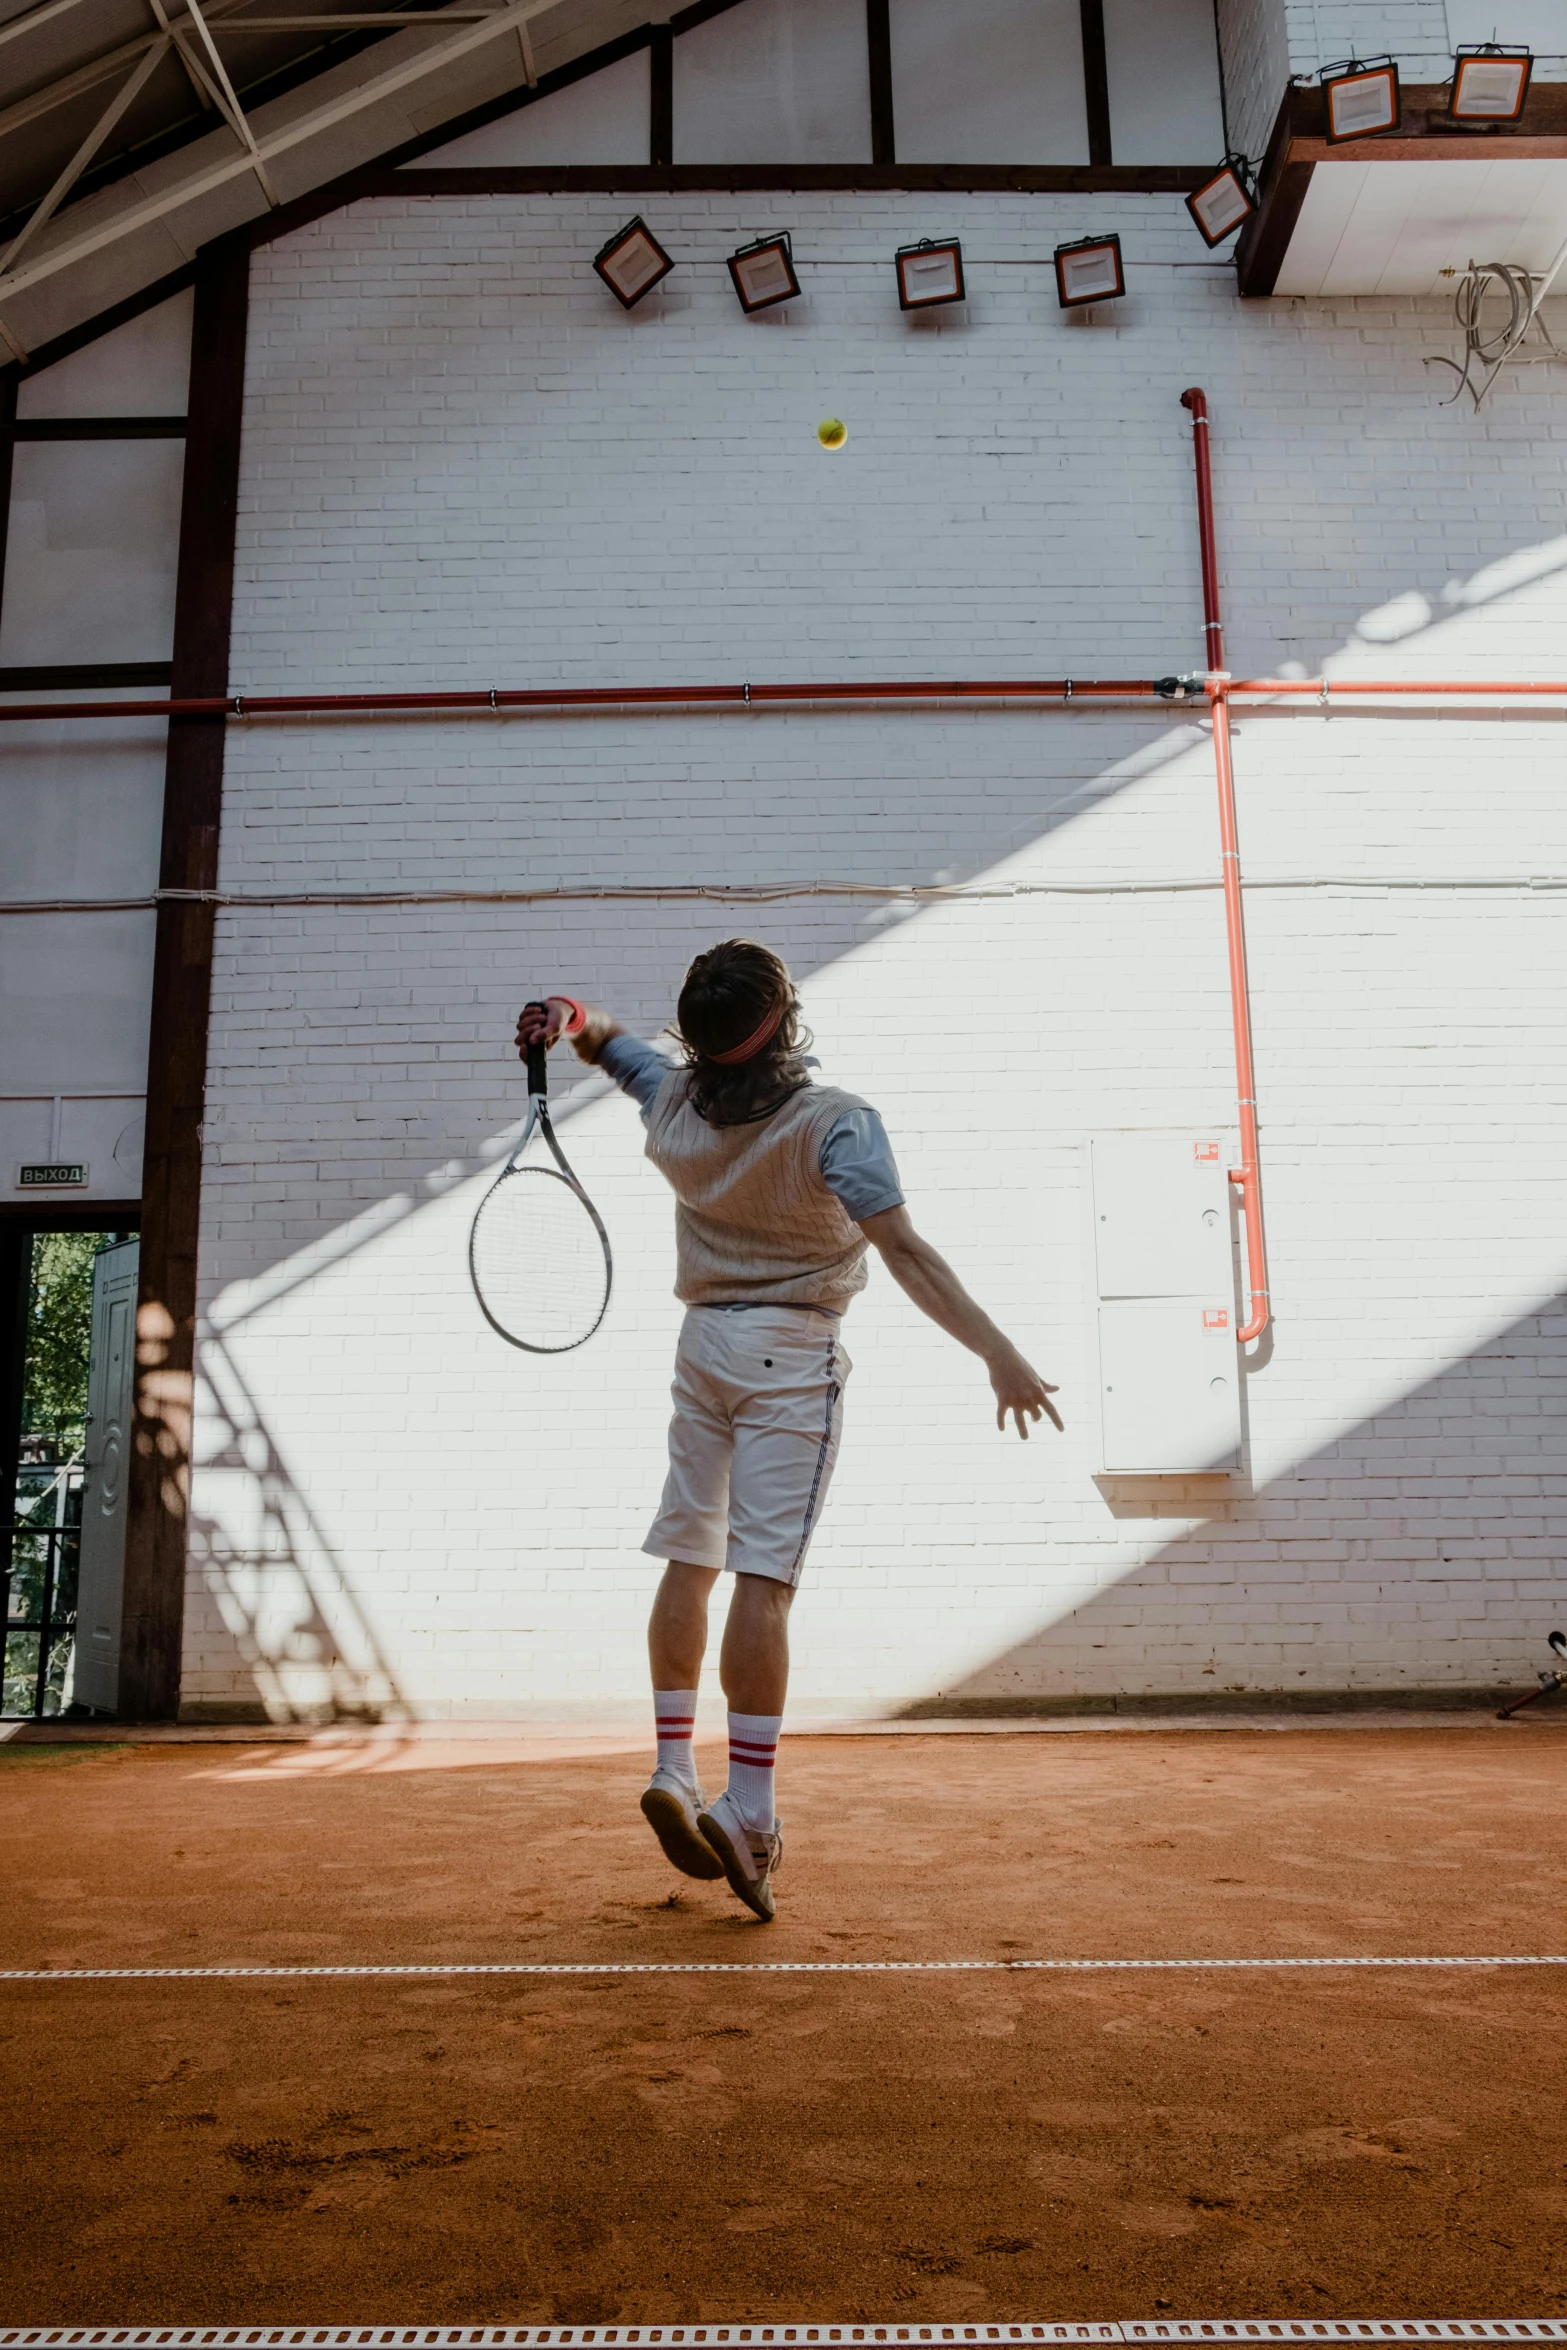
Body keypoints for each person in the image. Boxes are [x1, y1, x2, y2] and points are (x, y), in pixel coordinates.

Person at [516, 941, 1061, 1922]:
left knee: (689, 1555)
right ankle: (750, 1812)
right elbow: (905, 1252)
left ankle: (675, 1769)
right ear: (786, 1019)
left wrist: (564, 1013)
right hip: (789, 1351)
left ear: (702, 1033)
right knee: (764, 1578)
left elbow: (607, 1042)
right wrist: (997, 1351)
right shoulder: (834, 1123)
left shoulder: (670, 1103)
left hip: (701, 1346)